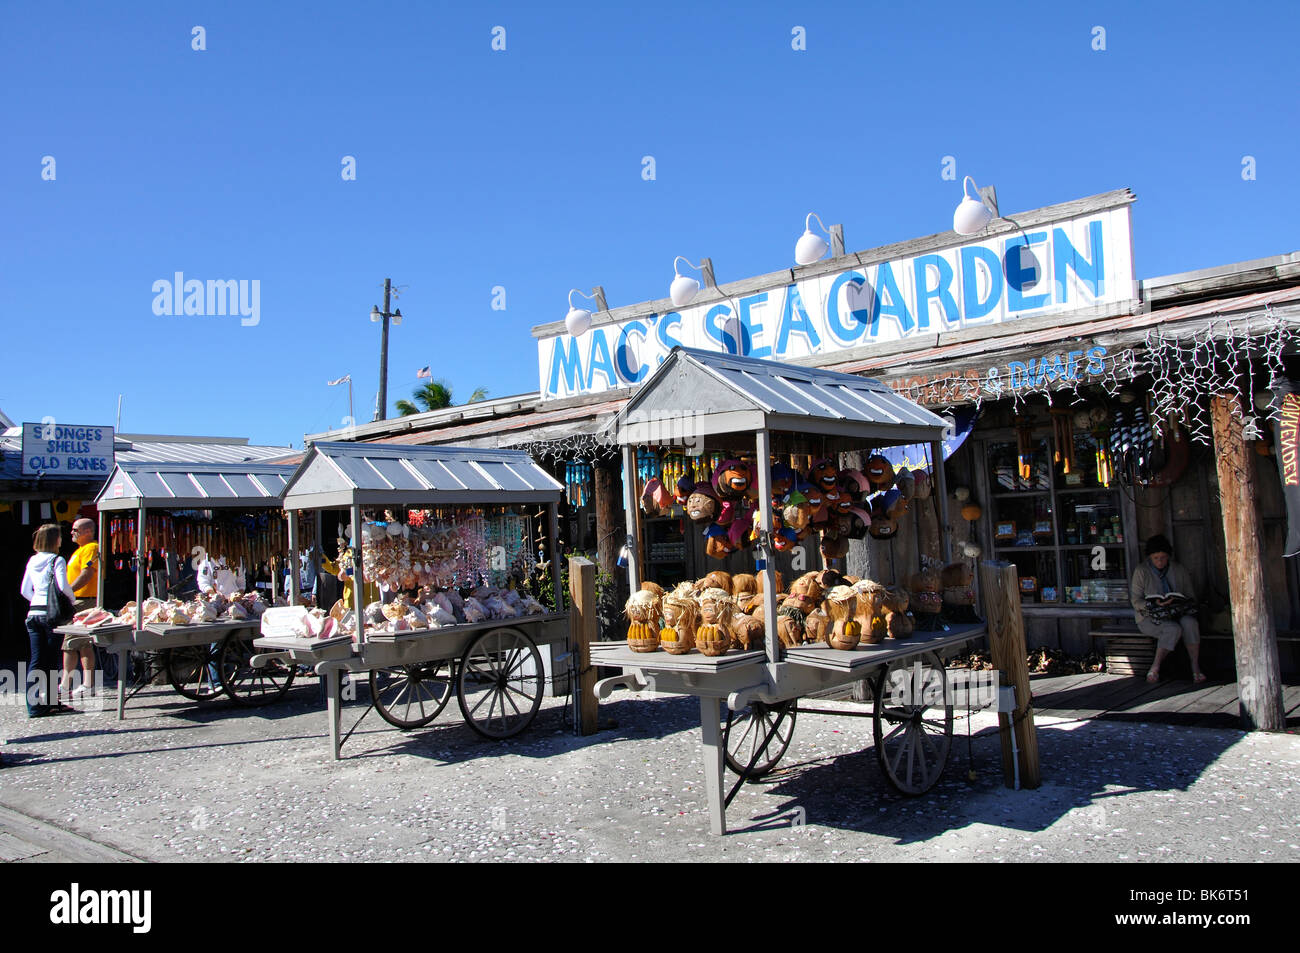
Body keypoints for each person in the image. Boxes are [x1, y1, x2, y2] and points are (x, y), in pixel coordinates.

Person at [19, 523, 77, 716]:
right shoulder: (57, 560)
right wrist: (71, 601)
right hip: (51, 616)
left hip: (33, 614)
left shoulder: (32, 560)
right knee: (51, 660)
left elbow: (25, 590)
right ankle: (52, 701)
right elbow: (63, 586)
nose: (62, 539)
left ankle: (34, 705)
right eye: (59, 536)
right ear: (54, 540)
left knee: (36, 660)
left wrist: (37, 601)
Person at [1130, 533, 1205, 684]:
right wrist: (1154, 603)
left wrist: (1178, 601)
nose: (1160, 561)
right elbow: (1135, 600)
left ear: (1168, 556)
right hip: (1150, 616)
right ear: (1150, 557)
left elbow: (1191, 596)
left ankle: (1195, 666)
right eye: (1156, 558)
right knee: (1172, 629)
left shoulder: (1178, 569)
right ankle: (1155, 667)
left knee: (1190, 624)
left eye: (1163, 557)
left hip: (1177, 612)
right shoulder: (1142, 571)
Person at [61, 517, 100, 697]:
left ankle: (65, 684)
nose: (71, 532)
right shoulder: (80, 550)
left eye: (75, 530)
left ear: (88, 532)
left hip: (84, 600)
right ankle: (86, 683)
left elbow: (87, 574)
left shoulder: (91, 548)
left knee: (71, 642)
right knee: (83, 644)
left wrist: (68, 591)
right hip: (77, 600)